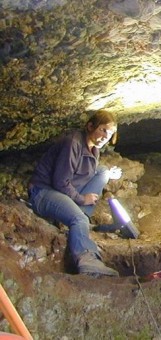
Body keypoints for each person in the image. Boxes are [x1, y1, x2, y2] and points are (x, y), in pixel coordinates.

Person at [28, 110, 129, 277]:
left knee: (102, 171)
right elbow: (60, 182)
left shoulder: (93, 149)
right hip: (42, 192)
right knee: (78, 219)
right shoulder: (73, 143)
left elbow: (86, 174)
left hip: (60, 193)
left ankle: (78, 220)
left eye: (110, 133)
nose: (106, 136)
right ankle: (87, 261)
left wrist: (110, 174)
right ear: (90, 126)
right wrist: (82, 198)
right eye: (103, 130)